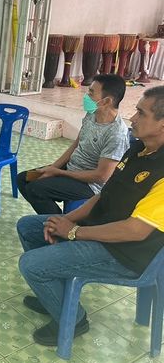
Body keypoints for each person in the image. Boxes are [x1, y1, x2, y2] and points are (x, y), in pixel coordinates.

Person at [16, 85, 164, 346]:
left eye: (141, 113)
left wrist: (74, 232)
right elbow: (101, 196)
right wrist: (70, 220)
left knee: (31, 264)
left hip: (125, 253)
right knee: (29, 226)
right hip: (100, 230)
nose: (133, 118)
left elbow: (135, 230)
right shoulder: (137, 150)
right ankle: (57, 297)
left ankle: (75, 320)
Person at [17, 74, 129, 215]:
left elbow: (102, 176)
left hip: (90, 185)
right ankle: (55, 219)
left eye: (91, 92)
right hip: (72, 168)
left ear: (106, 101)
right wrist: (53, 167)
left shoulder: (116, 133)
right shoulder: (92, 114)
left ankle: (60, 226)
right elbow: (76, 144)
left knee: (36, 189)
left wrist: (60, 173)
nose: (86, 96)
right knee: (23, 179)